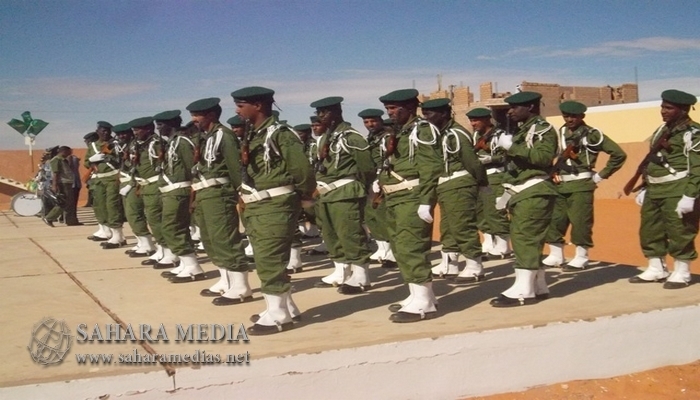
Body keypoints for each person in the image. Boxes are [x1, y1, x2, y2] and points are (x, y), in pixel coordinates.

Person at [233, 86, 315, 334]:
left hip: (275, 205)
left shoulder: (281, 134)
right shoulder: (255, 134)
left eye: (241, 104)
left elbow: (302, 170)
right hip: (258, 206)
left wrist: (303, 198)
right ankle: (285, 307)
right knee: (265, 258)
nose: (237, 110)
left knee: (270, 260)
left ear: (258, 106)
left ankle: (279, 315)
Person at [378, 88, 443, 322]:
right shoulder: (402, 132)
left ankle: (424, 302)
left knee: (411, 246)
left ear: (407, 108)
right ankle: (419, 294)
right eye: (388, 109)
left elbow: (431, 168)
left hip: (412, 197)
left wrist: (426, 201)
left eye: (393, 108)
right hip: (396, 198)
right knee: (400, 247)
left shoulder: (422, 130)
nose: (390, 113)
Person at [489, 91, 558, 307]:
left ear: (530, 107)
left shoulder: (543, 130)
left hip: (535, 189)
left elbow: (543, 158)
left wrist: (512, 147)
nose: (510, 111)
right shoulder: (523, 131)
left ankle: (524, 290)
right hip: (522, 190)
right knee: (527, 238)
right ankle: (538, 285)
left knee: (524, 238)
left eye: (515, 107)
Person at [542, 101, 627, 270]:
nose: (569, 119)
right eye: (566, 116)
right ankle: (556, 254)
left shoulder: (592, 134)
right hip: (560, 184)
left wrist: (601, 175)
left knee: (580, 222)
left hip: (581, 184)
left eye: (573, 116)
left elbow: (618, 154)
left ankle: (581, 256)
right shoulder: (560, 133)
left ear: (582, 116)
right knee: (555, 220)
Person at [629, 90, 700, 289]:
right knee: (650, 229)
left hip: (678, 188)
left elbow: (698, 167)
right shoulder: (662, 129)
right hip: (655, 188)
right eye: (662, 107)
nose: (663, 111)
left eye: (669, 108)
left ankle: (682, 271)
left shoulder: (693, 133)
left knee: (680, 230)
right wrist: (644, 185)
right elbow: (651, 159)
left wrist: (690, 195)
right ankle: (656, 267)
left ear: (683, 110)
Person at [187, 98, 250, 304]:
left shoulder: (224, 135)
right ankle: (225, 280)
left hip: (219, 193)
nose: (194, 119)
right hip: (205, 193)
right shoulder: (205, 137)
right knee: (210, 240)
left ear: (212, 115)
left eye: (197, 115)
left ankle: (241, 286)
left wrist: (239, 192)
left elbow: (234, 166)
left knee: (225, 239)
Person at [421, 98, 489, 283]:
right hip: (447, 185)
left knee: (462, 226)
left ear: (443, 113)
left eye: (429, 114)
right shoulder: (442, 134)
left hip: (459, 183)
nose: (426, 118)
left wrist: (482, 183)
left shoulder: (455, 134)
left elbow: (472, 162)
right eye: (424, 114)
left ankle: (475, 266)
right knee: (448, 227)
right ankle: (450, 263)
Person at [310, 96, 374, 294]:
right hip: (326, 194)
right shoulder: (326, 137)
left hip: (345, 193)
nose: (321, 117)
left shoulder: (351, 137)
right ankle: (341, 270)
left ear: (337, 112)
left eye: (326, 112)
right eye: (319, 113)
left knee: (350, 233)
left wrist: (360, 187)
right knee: (330, 234)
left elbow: (367, 167)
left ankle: (361, 275)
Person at [147, 110, 206, 283]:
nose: (158, 128)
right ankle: (185, 263)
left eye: (161, 124)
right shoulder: (172, 142)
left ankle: (193, 266)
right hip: (171, 191)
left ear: (171, 124)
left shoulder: (182, 142)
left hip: (180, 191)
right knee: (173, 228)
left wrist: (192, 196)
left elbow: (191, 169)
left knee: (173, 227)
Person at [469, 108, 512, 259]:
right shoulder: (476, 136)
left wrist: (490, 159)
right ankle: (488, 241)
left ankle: (503, 246)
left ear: (487, 120)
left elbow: (507, 156)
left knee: (495, 210)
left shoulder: (500, 135)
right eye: (471, 120)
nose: (473, 124)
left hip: (496, 175)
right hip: (479, 176)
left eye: (476, 120)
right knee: (480, 211)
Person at [358, 108, 397, 268]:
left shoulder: (387, 137)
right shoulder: (372, 138)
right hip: (372, 179)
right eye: (366, 122)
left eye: (373, 121)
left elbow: (390, 159)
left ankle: (394, 252)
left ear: (380, 121)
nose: (370, 124)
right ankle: (384, 248)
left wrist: (381, 178)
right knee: (371, 215)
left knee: (384, 215)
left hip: (384, 178)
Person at [113, 123, 156, 258]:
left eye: (124, 133)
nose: (121, 136)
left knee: (135, 214)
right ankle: (142, 242)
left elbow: (138, 167)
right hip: (131, 182)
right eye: (119, 134)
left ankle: (148, 244)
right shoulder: (129, 145)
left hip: (136, 183)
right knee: (131, 214)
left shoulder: (138, 144)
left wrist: (131, 183)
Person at [84, 121, 119, 242]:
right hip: (99, 180)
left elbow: (121, 160)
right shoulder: (92, 146)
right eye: (103, 131)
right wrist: (92, 160)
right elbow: (86, 163)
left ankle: (117, 234)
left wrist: (109, 157)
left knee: (112, 206)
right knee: (99, 206)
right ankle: (105, 230)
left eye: (108, 131)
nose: (106, 133)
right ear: (97, 131)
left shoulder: (115, 144)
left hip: (112, 179)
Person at [43, 146, 80, 226]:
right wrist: (54, 186)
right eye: (69, 151)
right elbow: (55, 173)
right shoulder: (56, 160)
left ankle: (71, 220)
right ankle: (49, 217)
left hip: (67, 183)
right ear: (64, 151)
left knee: (69, 202)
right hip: (62, 183)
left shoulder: (64, 160)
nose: (70, 153)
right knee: (64, 202)